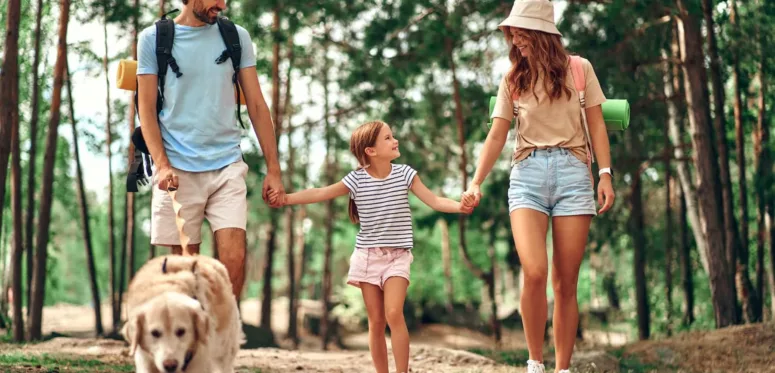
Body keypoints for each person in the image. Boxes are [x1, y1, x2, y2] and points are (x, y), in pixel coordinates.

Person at [464, 1, 615, 372]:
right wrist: (476, 180)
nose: (514, 36)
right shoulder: (512, 79)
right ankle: (535, 363)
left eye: (521, 30)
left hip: (574, 175)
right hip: (527, 175)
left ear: (542, 32)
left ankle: (562, 368)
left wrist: (606, 173)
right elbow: (498, 133)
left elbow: (596, 124)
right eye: (512, 31)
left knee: (566, 284)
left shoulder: (579, 70)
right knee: (534, 271)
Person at [268, 120, 474, 373]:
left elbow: (434, 200)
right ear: (371, 151)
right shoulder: (356, 180)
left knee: (393, 313)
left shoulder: (405, 174)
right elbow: (319, 192)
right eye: (388, 138)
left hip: (398, 256)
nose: (395, 140)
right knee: (376, 322)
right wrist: (286, 199)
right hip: (367, 257)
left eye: (392, 135)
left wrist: (459, 206)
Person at [136, 0, 284, 300]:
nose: (222, 3)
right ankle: (193, 340)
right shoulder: (153, 39)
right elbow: (146, 110)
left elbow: (256, 105)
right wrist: (162, 165)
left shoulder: (236, 36)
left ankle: (222, 337)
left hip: (227, 162)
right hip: (176, 167)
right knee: (182, 270)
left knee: (234, 261)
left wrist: (274, 168)